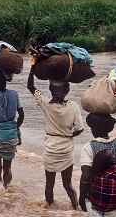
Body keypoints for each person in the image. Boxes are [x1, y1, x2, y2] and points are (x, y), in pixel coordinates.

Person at [27, 67, 84, 208]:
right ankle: (76, 209)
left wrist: (33, 70)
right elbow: (80, 129)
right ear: (67, 91)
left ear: (51, 90)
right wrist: (69, 135)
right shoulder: (73, 106)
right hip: (66, 150)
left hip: (51, 150)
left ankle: (48, 208)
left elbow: (31, 86)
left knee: (49, 184)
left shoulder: (45, 103)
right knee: (68, 185)